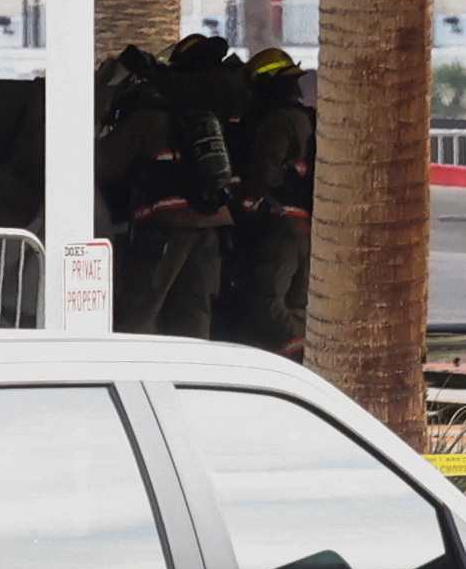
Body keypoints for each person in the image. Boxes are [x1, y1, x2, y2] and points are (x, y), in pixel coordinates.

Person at [96, 35, 236, 339]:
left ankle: (136, 373)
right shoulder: (208, 108)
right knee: (194, 313)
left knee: (141, 310)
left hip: (167, 226)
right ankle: (193, 378)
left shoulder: (146, 118)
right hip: (211, 225)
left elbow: (101, 166)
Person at [229, 47, 314, 359]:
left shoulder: (279, 122)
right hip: (307, 226)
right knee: (297, 303)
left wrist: (244, 212)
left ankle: (293, 354)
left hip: (281, 225)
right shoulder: (309, 119)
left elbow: (261, 176)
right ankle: (302, 359)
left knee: (264, 299)